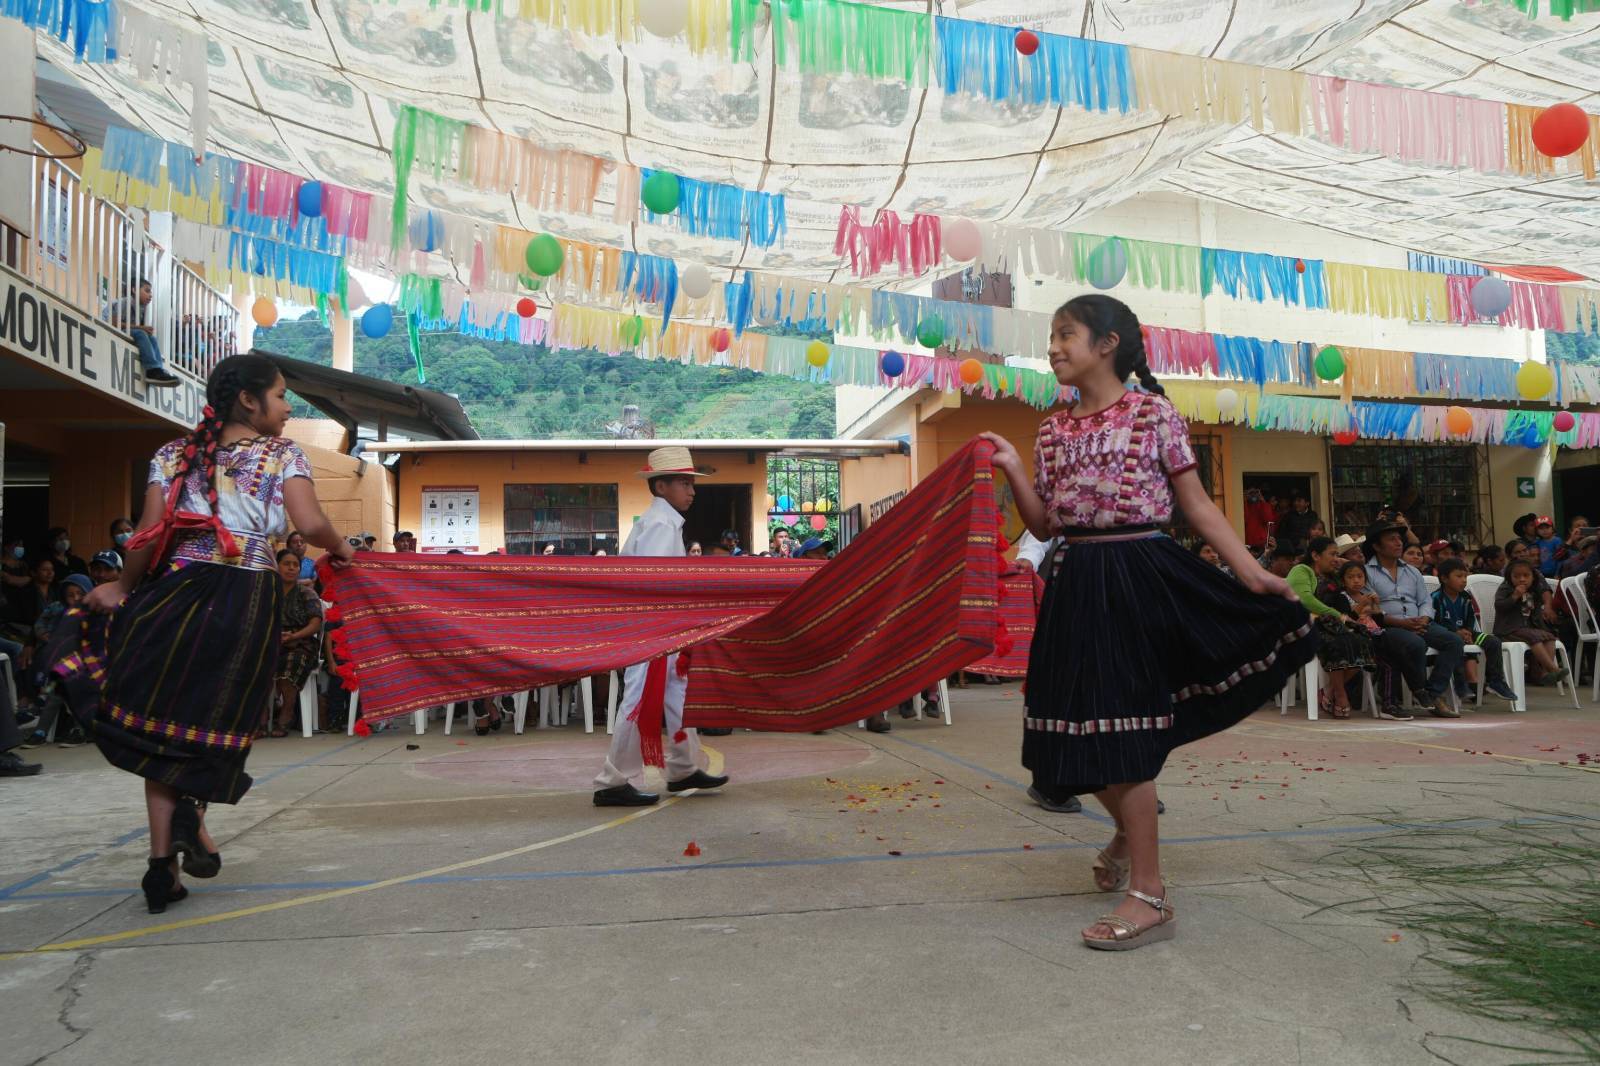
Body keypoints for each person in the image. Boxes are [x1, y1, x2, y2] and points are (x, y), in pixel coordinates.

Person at [979, 293, 1312, 951]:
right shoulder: (1051, 431)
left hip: (1140, 575)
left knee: (1120, 728)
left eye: (1065, 334)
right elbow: (1046, 525)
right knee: (1063, 735)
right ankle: (1133, 838)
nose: (1053, 347)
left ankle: (1151, 894)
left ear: (1107, 344)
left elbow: (1196, 505)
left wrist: (1250, 573)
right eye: (1051, 336)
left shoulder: (1152, 413)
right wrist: (1016, 469)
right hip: (1075, 582)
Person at [52, 353, 356, 914]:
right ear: (249, 399)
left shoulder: (171, 455)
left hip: (174, 592)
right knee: (222, 719)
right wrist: (343, 550)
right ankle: (193, 815)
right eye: (283, 395)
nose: (289, 408)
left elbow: (145, 534)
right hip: (244, 600)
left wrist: (121, 588)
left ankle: (160, 864)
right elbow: (310, 526)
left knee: (164, 725)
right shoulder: (280, 453)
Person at [593, 445, 728, 807]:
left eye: (691, 483)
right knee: (638, 699)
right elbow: (654, 581)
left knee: (678, 698)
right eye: (685, 483)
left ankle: (683, 767)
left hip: (660, 628)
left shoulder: (660, 521)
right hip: (653, 630)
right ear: (661, 487)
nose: (692, 490)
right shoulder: (660, 523)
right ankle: (612, 779)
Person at [1365, 518, 1463, 719]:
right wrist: (1402, 623)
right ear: (1376, 546)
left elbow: (1425, 601)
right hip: (1389, 626)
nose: (1399, 543)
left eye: (1399, 539)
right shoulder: (1366, 573)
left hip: (1417, 622)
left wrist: (1424, 619)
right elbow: (1372, 610)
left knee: (1453, 641)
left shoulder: (1412, 571)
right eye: (1392, 539)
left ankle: (1433, 694)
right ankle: (1422, 692)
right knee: (1415, 643)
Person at [1287, 537, 1375, 719]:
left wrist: (1344, 563)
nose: (1336, 558)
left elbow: (1352, 598)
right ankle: (1341, 696)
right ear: (1315, 555)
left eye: (1337, 554)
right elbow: (1305, 600)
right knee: (1337, 641)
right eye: (1332, 554)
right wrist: (1338, 616)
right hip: (1303, 626)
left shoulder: (1333, 576)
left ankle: (1328, 691)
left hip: (1331, 624)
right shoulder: (1301, 570)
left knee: (1364, 638)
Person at [1432, 559, 1517, 703]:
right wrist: (1456, 632)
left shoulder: (1466, 597)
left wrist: (1468, 631)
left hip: (1466, 632)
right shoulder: (1436, 598)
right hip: (1446, 634)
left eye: (1465, 576)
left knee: (1493, 642)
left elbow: (1470, 619)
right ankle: (1461, 685)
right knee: (1456, 642)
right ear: (1444, 578)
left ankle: (1495, 681)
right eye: (1459, 576)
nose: (1464, 580)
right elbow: (1435, 623)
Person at [267, 549, 324, 737]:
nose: (291, 568)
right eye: (286, 564)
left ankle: (286, 714)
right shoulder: (268, 592)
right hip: (271, 641)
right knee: (255, 663)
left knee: (291, 662)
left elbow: (316, 623)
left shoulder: (307, 593)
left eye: (295, 565)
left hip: (302, 643)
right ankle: (260, 717)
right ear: (277, 566)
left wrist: (294, 636)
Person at [1495, 561, 1568, 685]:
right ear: (1509, 577)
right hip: (1508, 629)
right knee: (1534, 638)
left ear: (1533, 577)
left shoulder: (1533, 590)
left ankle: (1545, 673)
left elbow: (1537, 609)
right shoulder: (1506, 588)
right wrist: (1514, 596)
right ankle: (1553, 668)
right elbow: (1499, 606)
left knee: (1550, 637)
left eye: (1526, 575)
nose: (1522, 579)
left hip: (1527, 628)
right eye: (1516, 576)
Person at [111, 278, 181, 387]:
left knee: (152, 338)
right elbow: (114, 323)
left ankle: (158, 369)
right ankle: (152, 371)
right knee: (141, 333)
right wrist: (141, 328)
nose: (151, 295)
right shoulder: (126, 302)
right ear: (134, 290)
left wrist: (141, 329)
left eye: (151, 292)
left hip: (128, 332)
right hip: (114, 330)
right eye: (147, 291)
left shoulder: (141, 309)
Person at [1243, 486, 1276, 552]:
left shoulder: (1264, 505)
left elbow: (1267, 519)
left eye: (1255, 493)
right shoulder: (1244, 505)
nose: (1253, 495)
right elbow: (1244, 519)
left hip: (1261, 543)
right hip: (1247, 542)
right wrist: (1244, 500)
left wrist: (1262, 500)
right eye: (1251, 493)